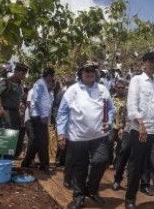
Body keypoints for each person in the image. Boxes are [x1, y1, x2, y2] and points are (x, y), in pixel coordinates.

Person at [56, 61, 115, 209]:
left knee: (101, 161)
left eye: (92, 71)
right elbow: (62, 112)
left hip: (99, 135)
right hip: (77, 137)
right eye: (86, 70)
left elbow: (110, 109)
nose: (89, 73)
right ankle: (79, 196)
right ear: (81, 74)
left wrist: (110, 122)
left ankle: (92, 190)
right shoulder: (72, 91)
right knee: (79, 168)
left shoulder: (102, 89)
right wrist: (61, 133)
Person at [125, 52, 154, 209]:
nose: (153, 64)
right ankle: (130, 199)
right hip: (140, 131)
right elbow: (131, 105)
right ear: (144, 63)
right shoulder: (136, 80)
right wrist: (140, 124)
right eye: (150, 61)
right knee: (136, 165)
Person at [21, 67, 55, 174]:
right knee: (38, 141)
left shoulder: (50, 94)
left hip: (41, 120)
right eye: (52, 78)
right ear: (48, 76)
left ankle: (27, 162)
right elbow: (31, 104)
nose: (52, 82)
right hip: (33, 119)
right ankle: (43, 164)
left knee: (38, 141)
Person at [0, 62, 29, 159]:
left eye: (24, 74)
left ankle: (6, 164)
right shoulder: (6, 82)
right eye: (22, 74)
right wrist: (1, 110)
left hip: (15, 114)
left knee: (12, 141)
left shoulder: (19, 85)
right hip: (6, 112)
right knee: (4, 139)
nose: (23, 76)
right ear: (16, 72)